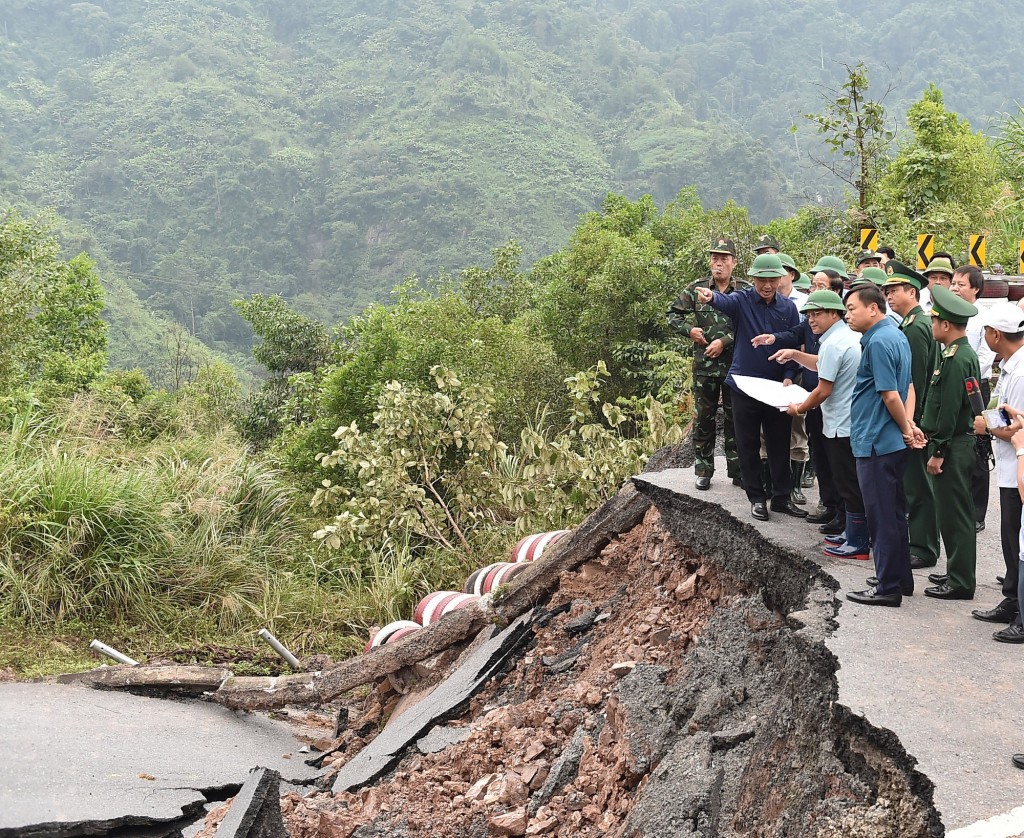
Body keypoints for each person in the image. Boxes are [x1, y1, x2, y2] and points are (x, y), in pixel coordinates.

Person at [695, 254, 805, 521]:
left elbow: (793, 342)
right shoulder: (742, 300)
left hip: (776, 387)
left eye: (772, 280)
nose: (767, 286)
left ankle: (781, 497)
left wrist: (790, 374)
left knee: (780, 444)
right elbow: (724, 300)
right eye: (761, 280)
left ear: (780, 279)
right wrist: (711, 297)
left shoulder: (788, 308)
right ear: (753, 279)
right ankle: (756, 498)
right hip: (744, 386)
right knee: (747, 444)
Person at [770, 291, 866, 558]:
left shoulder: (835, 343)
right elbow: (823, 365)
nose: (811, 320)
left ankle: (858, 541)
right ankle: (852, 533)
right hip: (846, 420)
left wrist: (799, 408)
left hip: (840, 422)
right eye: (809, 315)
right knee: (848, 480)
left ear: (835, 314)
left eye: (817, 314)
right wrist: (794, 354)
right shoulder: (841, 338)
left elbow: (823, 389)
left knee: (848, 482)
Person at [844, 284, 918, 606]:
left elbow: (890, 395)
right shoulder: (897, 334)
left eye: (851, 308)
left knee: (881, 517)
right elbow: (909, 387)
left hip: (876, 442)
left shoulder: (879, 341)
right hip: (889, 441)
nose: (848, 315)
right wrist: (910, 425)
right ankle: (900, 578)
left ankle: (887, 587)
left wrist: (906, 428)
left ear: (873, 309)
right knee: (895, 513)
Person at [668, 237, 748, 490]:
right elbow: (672, 315)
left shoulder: (744, 291)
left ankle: (738, 471)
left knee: (737, 419)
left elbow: (753, 324)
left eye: (724, 258)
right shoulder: (697, 288)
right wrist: (689, 329)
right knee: (704, 419)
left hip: (736, 366)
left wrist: (725, 340)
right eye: (715, 258)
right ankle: (704, 470)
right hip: (705, 367)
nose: (719, 263)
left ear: (734, 262)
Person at [919, 284, 981, 600]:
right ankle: (957, 570)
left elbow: (951, 408)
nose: (931, 326)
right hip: (953, 443)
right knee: (951, 513)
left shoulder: (957, 358)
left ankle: (961, 581)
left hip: (953, 445)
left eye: (934, 321)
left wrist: (938, 450)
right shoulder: (955, 354)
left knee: (956, 514)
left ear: (945, 325)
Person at [882, 262, 941, 571]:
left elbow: (914, 379)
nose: (889, 297)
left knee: (918, 486)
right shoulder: (911, 323)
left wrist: (910, 422)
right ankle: (919, 541)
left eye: (894, 291)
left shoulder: (917, 326)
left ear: (911, 291)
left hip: (914, 417)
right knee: (912, 485)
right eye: (887, 292)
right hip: (912, 416)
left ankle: (924, 546)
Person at [969, 304, 1024, 629]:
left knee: (1016, 540)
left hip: (1016, 466)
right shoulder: (1011, 366)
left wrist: (985, 426)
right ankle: (1013, 597)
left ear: (995, 334)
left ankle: (1019, 609)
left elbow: (1015, 424)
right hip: (1007, 466)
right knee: (1009, 537)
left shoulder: (1019, 373)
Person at [951, 264, 996, 532]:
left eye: (961, 284)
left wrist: (959, 370)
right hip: (952, 384)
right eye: (953, 283)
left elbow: (984, 357)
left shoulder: (983, 318)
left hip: (976, 387)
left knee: (979, 445)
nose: (955, 288)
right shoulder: (948, 313)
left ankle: (977, 512)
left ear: (976, 289)